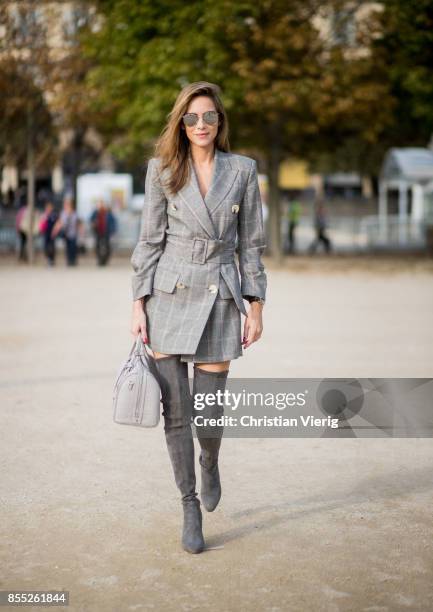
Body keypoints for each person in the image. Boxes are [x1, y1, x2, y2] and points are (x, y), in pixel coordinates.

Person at [130, 81, 267, 554]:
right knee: (177, 416)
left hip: (221, 296)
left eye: (208, 116)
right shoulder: (162, 171)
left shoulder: (244, 171)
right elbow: (149, 241)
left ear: (219, 121)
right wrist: (138, 303)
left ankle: (209, 460)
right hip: (169, 296)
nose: (201, 125)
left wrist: (256, 303)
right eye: (192, 118)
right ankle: (189, 505)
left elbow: (250, 244)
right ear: (181, 125)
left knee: (207, 416)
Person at [52, 197, 79, 266]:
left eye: (67, 204)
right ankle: (69, 261)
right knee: (68, 247)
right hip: (66, 233)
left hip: (73, 233)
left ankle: (73, 260)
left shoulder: (74, 213)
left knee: (73, 247)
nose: (66, 205)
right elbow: (59, 222)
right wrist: (55, 231)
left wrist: (80, 231)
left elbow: (77, 223)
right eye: (65, 204)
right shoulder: (63, 213)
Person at [90, 199, 117, 266]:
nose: (101, 206)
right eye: (99, 204)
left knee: (108, 247)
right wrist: (93, 223)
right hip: (98, 231)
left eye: (102, 204)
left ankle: (105, 260)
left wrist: (113, 230)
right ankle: (99, 260)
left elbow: (113, 221)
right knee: (97, 246)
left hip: (106, 232)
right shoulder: (95, 212)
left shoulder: (108, 212)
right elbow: (91, 220)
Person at [39, 200, 58, 266]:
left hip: (52, 233)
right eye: (47, 207)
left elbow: (57, 223)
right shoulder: (44, 215)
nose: (48, 209)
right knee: (46, 247)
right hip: (46, 233)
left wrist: (55, 230)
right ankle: (48, 259)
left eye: (50, 207)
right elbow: (41, 224)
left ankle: (52, 260)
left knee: (52, 247)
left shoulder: (54, 215)